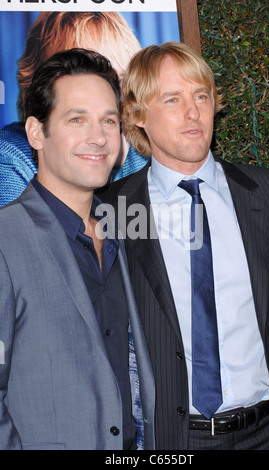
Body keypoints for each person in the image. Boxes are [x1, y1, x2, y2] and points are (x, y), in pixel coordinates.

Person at [97, 41, 269, 450]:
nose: (193, 113)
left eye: (201, 96)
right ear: (137, 115)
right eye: (172, 99)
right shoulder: (111, 211)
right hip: (172, 440)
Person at [0, 48, 155, 450]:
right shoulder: (6, 240)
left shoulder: (130, 233)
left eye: (109, 121)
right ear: (36, 132)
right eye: (77, 119)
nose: (99, 137)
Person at [0, 11, 148, 207]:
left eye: (118, 82)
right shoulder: (10, 161)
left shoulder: (140, 143)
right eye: (82, 78)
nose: (108, 97)